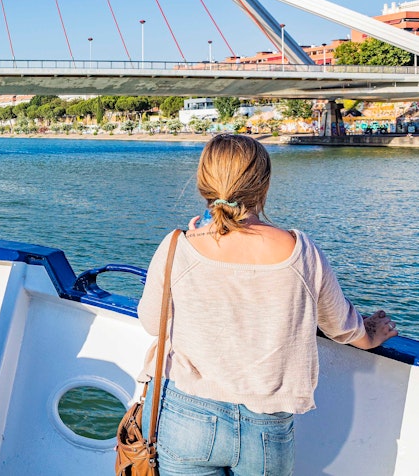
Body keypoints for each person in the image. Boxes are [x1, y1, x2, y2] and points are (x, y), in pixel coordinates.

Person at [138, 134, 397, 475]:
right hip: (266, 424)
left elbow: (150, 320)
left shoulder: (177, 246)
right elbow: (341, 326)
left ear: (204, 183)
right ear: (263, 186)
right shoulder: (301, 252)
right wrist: (371, 335)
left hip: (187, 415)